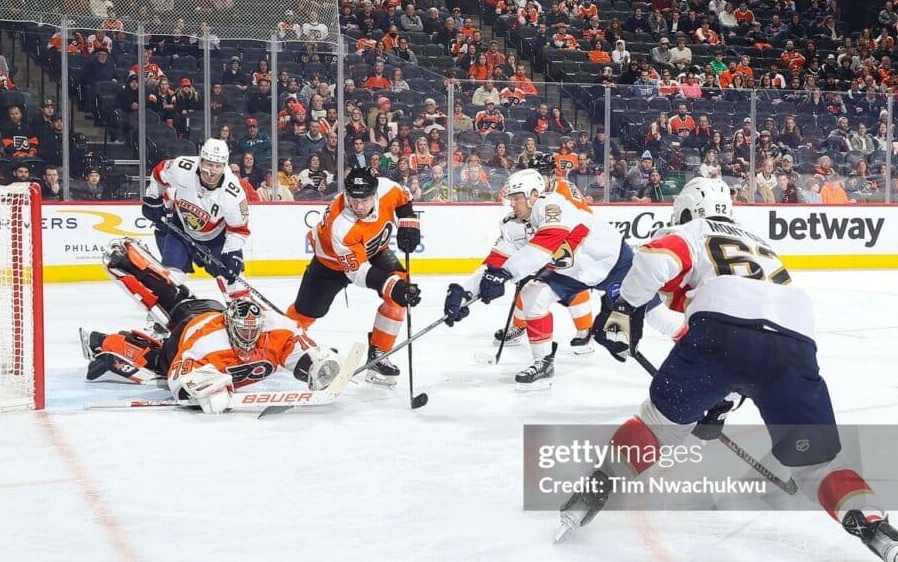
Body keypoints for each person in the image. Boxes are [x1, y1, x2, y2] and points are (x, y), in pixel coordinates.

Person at [554, 177, 898, 562]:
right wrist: (720, 402)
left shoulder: (691, 230)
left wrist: (624, 308)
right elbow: (755, 347)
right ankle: (872, 523)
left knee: (657, 427)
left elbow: (660, 268)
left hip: (719, 332)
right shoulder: (762, 247)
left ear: (688, 210)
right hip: (794, 342)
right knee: (817, 464)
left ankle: (597, 486)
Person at [444, 169, 681, 390]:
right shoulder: (514, 224)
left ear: (533, 195)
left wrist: (505, 274)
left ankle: (697, 347)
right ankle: (543, 363)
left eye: (516, 197)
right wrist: (462, 293)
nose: (512, 203)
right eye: (511, 198)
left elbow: (545, 244)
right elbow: (494, 262)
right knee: (532, 295)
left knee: (656, 316)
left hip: (614, 263)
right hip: (571, 273)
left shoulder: (551, 204)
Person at [83, 239, 343, 413]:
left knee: (177, 298)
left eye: (253, 330)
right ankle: (101, 341)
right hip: (191, 329)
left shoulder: (271, 329)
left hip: (208, 309)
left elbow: (296, 343)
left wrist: (316, 366)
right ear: (230, 328)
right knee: (157, 362)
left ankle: (128, 259)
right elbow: (178, 374)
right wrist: (199, 386)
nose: (249, 336)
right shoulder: (206, 346)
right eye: (243, 331)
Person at [286, 167, 422, 386]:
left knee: (399, 295)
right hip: (329, 264)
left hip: (375, 250)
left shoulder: (388, 188)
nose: (358, 206)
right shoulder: (341, 225)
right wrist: (392, 286)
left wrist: (409, 222)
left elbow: (404, 199)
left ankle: (378, 357)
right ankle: (276, 343)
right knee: (305, 314)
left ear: (375, 193)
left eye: (365, 199)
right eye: (353, 199)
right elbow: (356, 271)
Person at [492, 152, 600, 353]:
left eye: (542, 174)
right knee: (527, 283)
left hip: (572, 242)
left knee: (574, 285)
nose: (538, 178)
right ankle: (519, 325)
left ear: (552, 175)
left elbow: (584, 219)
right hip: (543, 239)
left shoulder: (565, 189)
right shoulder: (531, 190)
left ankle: (585, 331)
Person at [141, 138, 252, 298]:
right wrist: (153, 198)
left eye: (217, 166)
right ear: (200, 160)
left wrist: (232, 252)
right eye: (208, 163)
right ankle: (163, 315)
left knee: (232, 279)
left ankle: (243, 313)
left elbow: (238, 229)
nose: (211, 171)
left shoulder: (233, 192)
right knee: (169, 279)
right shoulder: (182, 167)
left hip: (216, 237)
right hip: (180, 230)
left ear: (224, 166)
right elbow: (159, 173)